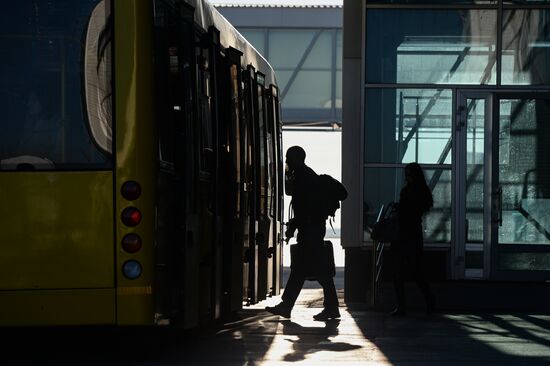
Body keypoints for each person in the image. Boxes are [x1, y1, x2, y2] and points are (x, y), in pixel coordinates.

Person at [266, 146, 340, 321]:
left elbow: (303, 209)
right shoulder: (307, 175)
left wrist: (292, 228)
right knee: (301, 270)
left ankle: (330, 308)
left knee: (319, 271)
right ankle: (288, 306)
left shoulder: (302, 178)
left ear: (295, 159)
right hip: (313, 229)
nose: (286, 162)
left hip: (310, 231)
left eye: (288, 158)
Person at [391, 162, 435, 316]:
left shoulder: (408, 191)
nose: (407, 177)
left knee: (403, 272)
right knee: (413, 271)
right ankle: (428, 302)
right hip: (412, 233)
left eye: (409, 174)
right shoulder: (422, 191)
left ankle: (402, 306)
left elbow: (407, 211)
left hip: (405, 234)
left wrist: (400, 208)